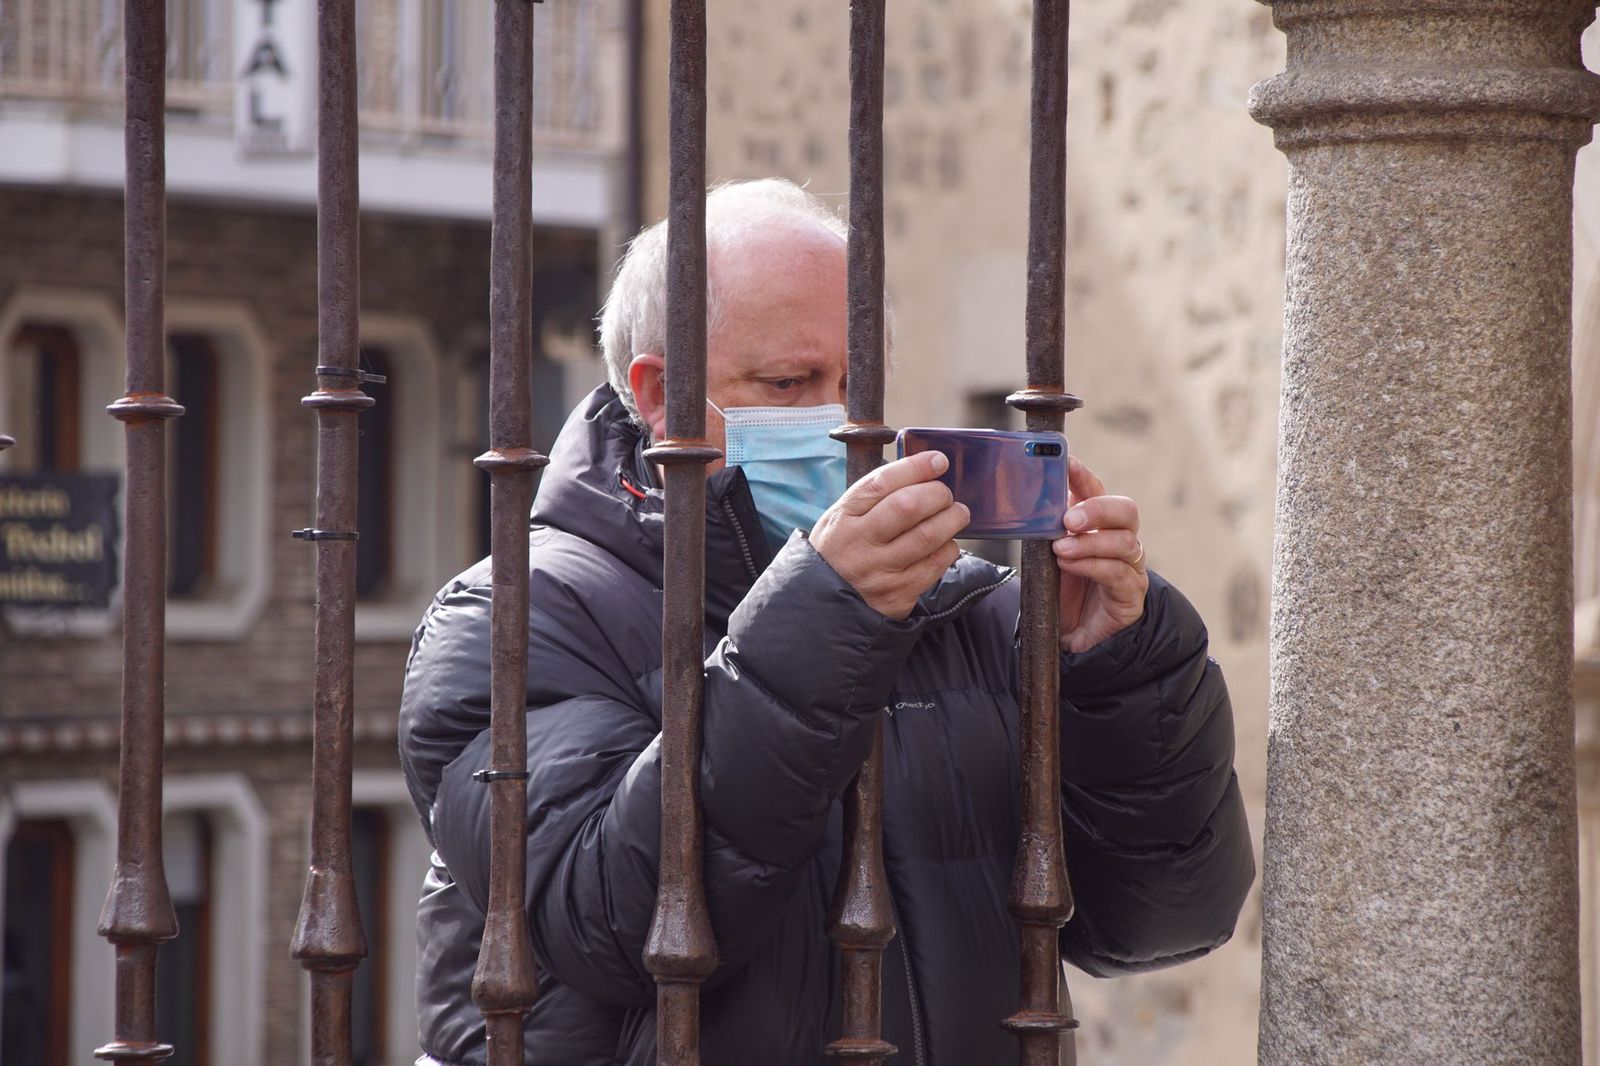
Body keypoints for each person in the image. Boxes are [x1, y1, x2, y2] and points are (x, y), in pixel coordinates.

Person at [399, 179, 1254, 1066]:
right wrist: (824, 620)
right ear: (659, 394)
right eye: (789, 383)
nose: (841, 423)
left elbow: (1164, 921)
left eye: (858, 385)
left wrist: (1116, 669)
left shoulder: (965, 608)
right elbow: (610, 922)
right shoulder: (513, 618)